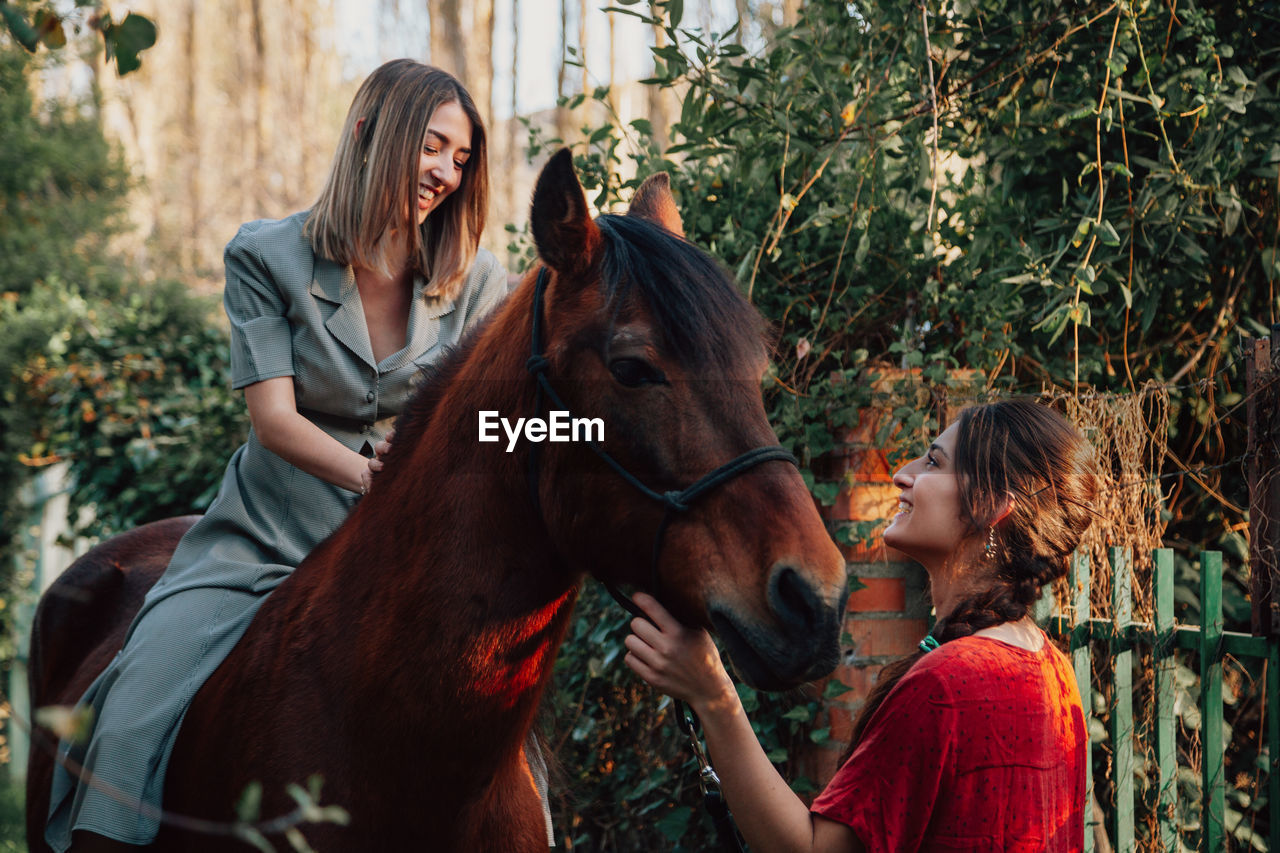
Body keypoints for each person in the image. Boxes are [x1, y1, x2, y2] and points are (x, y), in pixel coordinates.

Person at [47, 60, 510, 851]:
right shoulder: (265, 256)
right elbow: (274, 419)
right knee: (132, 710)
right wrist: (379, 474)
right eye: (432, 146)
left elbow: (494, 426)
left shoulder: (477, 283)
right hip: (263, 539)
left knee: (501, 745)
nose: (445, 172)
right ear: (372, 132)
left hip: (402, 560)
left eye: (461, 159)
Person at [625, 399, 1097, 852]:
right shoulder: (1050, 665)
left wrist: (711, 694)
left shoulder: (948, 684)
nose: (902, 475)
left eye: (933, 463)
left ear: (993, 505)